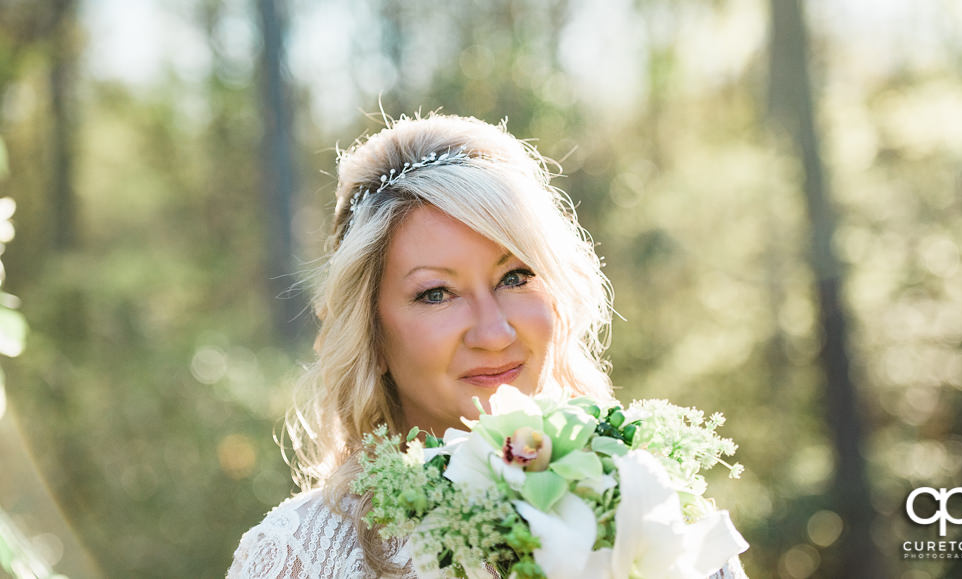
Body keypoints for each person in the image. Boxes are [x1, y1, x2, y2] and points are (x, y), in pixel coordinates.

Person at [227, 114, 747, 578]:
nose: (494, 332)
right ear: (372, 334)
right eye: (437, 294)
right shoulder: (300, 559)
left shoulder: (662, 515)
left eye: (516, 277)